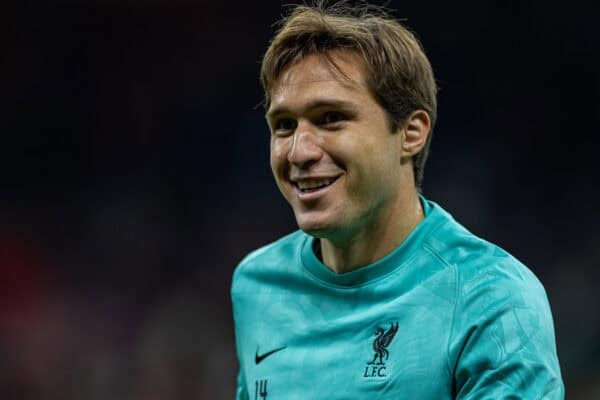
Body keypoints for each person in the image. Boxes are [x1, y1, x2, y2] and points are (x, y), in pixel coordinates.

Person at [231, 2, 564, 399]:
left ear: (410, 133)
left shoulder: (491, 298)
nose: (299, 151)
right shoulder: (257, 285)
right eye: (284, 125)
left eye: (331, 118)